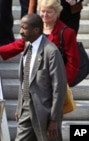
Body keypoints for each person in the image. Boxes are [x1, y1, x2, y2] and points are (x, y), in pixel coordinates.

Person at [0, 0, 79, 86]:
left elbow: (73, 63)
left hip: (54, 81)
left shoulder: (67, 32)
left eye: (49, 12)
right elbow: (20, 44)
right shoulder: (35, 28)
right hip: (33, 79)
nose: (45, 15)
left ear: (57, 13)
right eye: (42, 11)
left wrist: (63, 82)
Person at [18, 13, 67, 141]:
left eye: (24, 28)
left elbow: (59, 88)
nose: (21, 32)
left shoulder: (51, 51)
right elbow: (24, 80)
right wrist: (20, 107)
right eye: (20, 27)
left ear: (36, 30)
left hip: (45, 112)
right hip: (26, 109)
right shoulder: (27, 48)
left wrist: (54, 119)